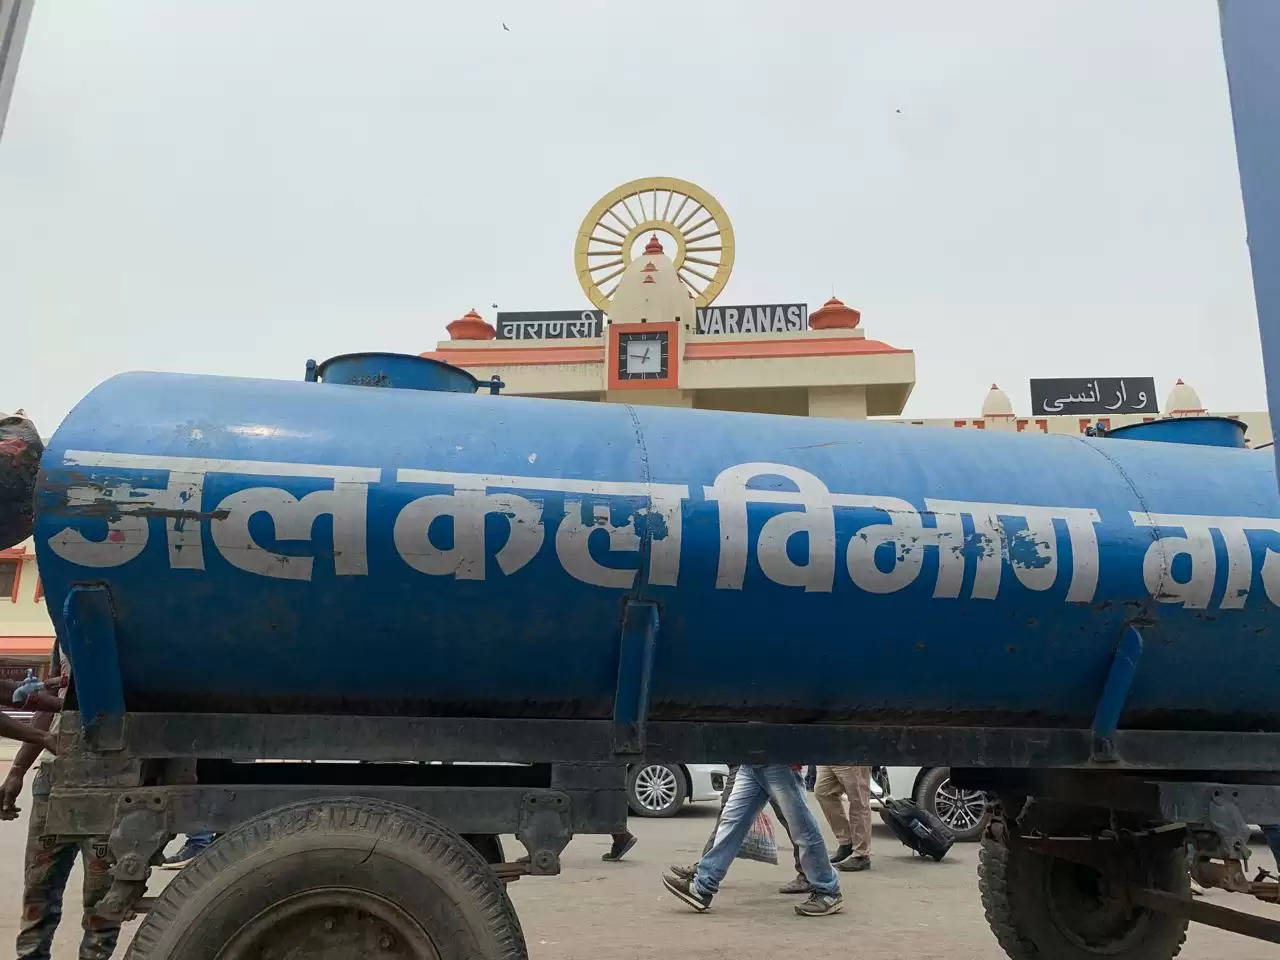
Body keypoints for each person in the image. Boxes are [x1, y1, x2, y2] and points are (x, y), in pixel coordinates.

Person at [1, 640, 120, 960]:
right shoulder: (65, 637)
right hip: (53, 784)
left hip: (113, 789)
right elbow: (46, 706)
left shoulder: (139, 631)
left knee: (103, 907)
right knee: (37, 897)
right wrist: (17, 770)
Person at [661, 763, 842, 917]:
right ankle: (702, 887)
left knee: (802, 827)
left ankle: (828, 891)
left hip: (778, 761)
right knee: (731, 824)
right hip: (750, 763)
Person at [671, 763, 812, 894]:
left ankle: (818, 880)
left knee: (796, 822)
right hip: (748, 763)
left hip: (769, 762)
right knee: (730, 819)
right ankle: (704, 878)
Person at [814, 764, 872, 871]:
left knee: (858, 801)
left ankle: (861, 854)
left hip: (853, 754)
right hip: (830, 753)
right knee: (822, 792)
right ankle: (847, 842)